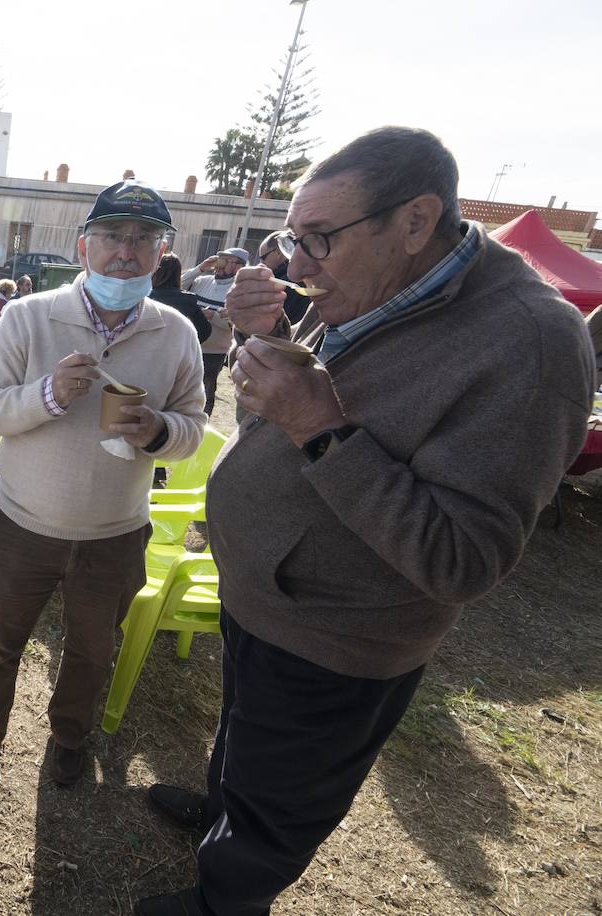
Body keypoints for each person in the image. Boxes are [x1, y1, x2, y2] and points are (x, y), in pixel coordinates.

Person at [133, 127, 595, 916]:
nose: (296, 264)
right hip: (263, 597)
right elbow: (294, 410)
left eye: (319, 240)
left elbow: (465, 558)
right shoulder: (380, 284)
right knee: (245, 744)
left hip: (335, 638)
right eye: (292, 238)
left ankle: (224, 899)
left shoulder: (532, 342)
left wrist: (322, 430)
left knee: (283, 796)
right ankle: (222, 814)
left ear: (415, 221)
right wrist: (263, 339)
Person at [0, 180, 206, 790]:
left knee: (93, 654)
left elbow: (194, 427)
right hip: (19, 524)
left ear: (161, 250)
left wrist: (158, 431)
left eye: (144, 239)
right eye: (113, 236)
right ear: (83, 244)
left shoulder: (175, 332)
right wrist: (46, 394)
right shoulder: (29, 316)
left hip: (115, 535)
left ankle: (70, 737)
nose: (127, 252)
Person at [183, 247, 246, 414]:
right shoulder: (202, 281)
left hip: (214, 351)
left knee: (205, 391)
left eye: (226, 261)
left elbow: (238, 324)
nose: (219, 265)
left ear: (239, 267)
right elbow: (177, 287)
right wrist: (200, 268)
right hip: (189, 344)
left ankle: (202, 426)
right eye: (220, 259)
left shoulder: (239, 292)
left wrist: (214, 317)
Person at [149, 252, 212, 345]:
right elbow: (205, 331)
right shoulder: (188, 300)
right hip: (175, 350)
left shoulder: (146, 297)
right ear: (178, 274)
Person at [257, 230, 312, 326]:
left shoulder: (285, 284)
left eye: (263, 257)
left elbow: (272, 327)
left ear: (279, 251)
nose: (261, 263)